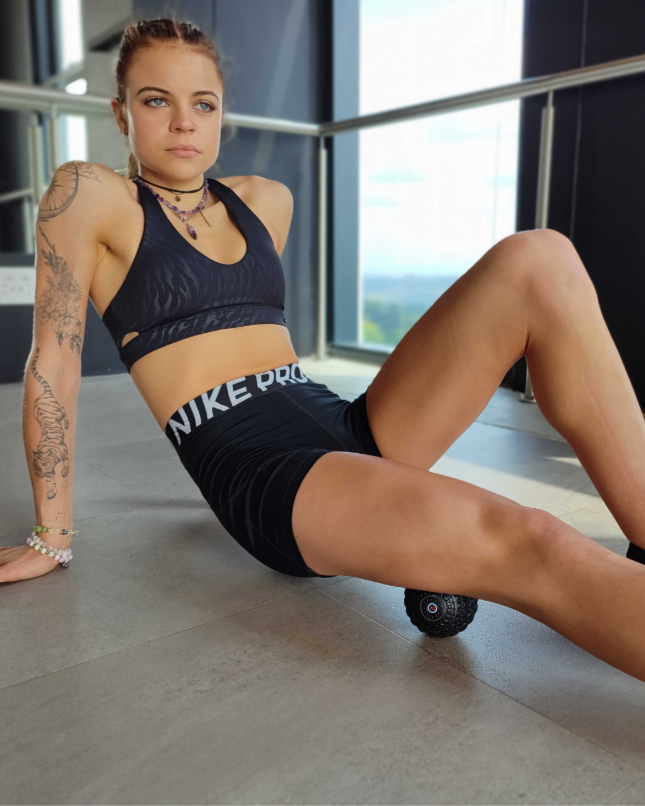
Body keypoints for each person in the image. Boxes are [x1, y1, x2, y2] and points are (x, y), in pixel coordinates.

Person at [3, 17, 645, 682]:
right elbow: (54, 361)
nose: (184, 122)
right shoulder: (90, 195)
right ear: (121, 113)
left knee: (539, 257)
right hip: (268, 473)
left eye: (204, 104)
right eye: (156, 100)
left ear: (222, 115)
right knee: (531, 539)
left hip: (347, 428)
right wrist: (52, 536)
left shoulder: (264, 201)